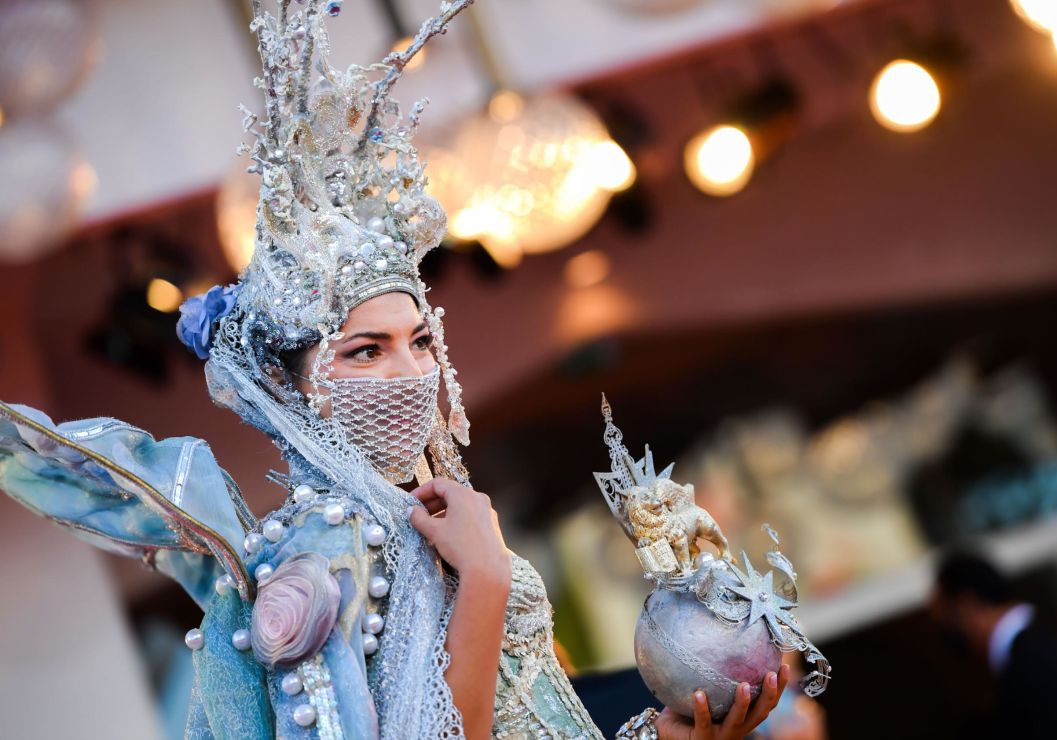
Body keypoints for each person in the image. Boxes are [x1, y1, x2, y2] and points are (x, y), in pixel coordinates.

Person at [0, 1, 787, 737]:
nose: (407, 371)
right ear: (292, 388)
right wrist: (481, 581)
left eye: (419, 341)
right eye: (365, 351)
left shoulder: (428, 518)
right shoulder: (310, 553)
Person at [929, 550, 1057, 740]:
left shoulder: (1034, 665)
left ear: (966, 605)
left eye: (943, 616)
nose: (940, 628)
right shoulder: (1045, 645)